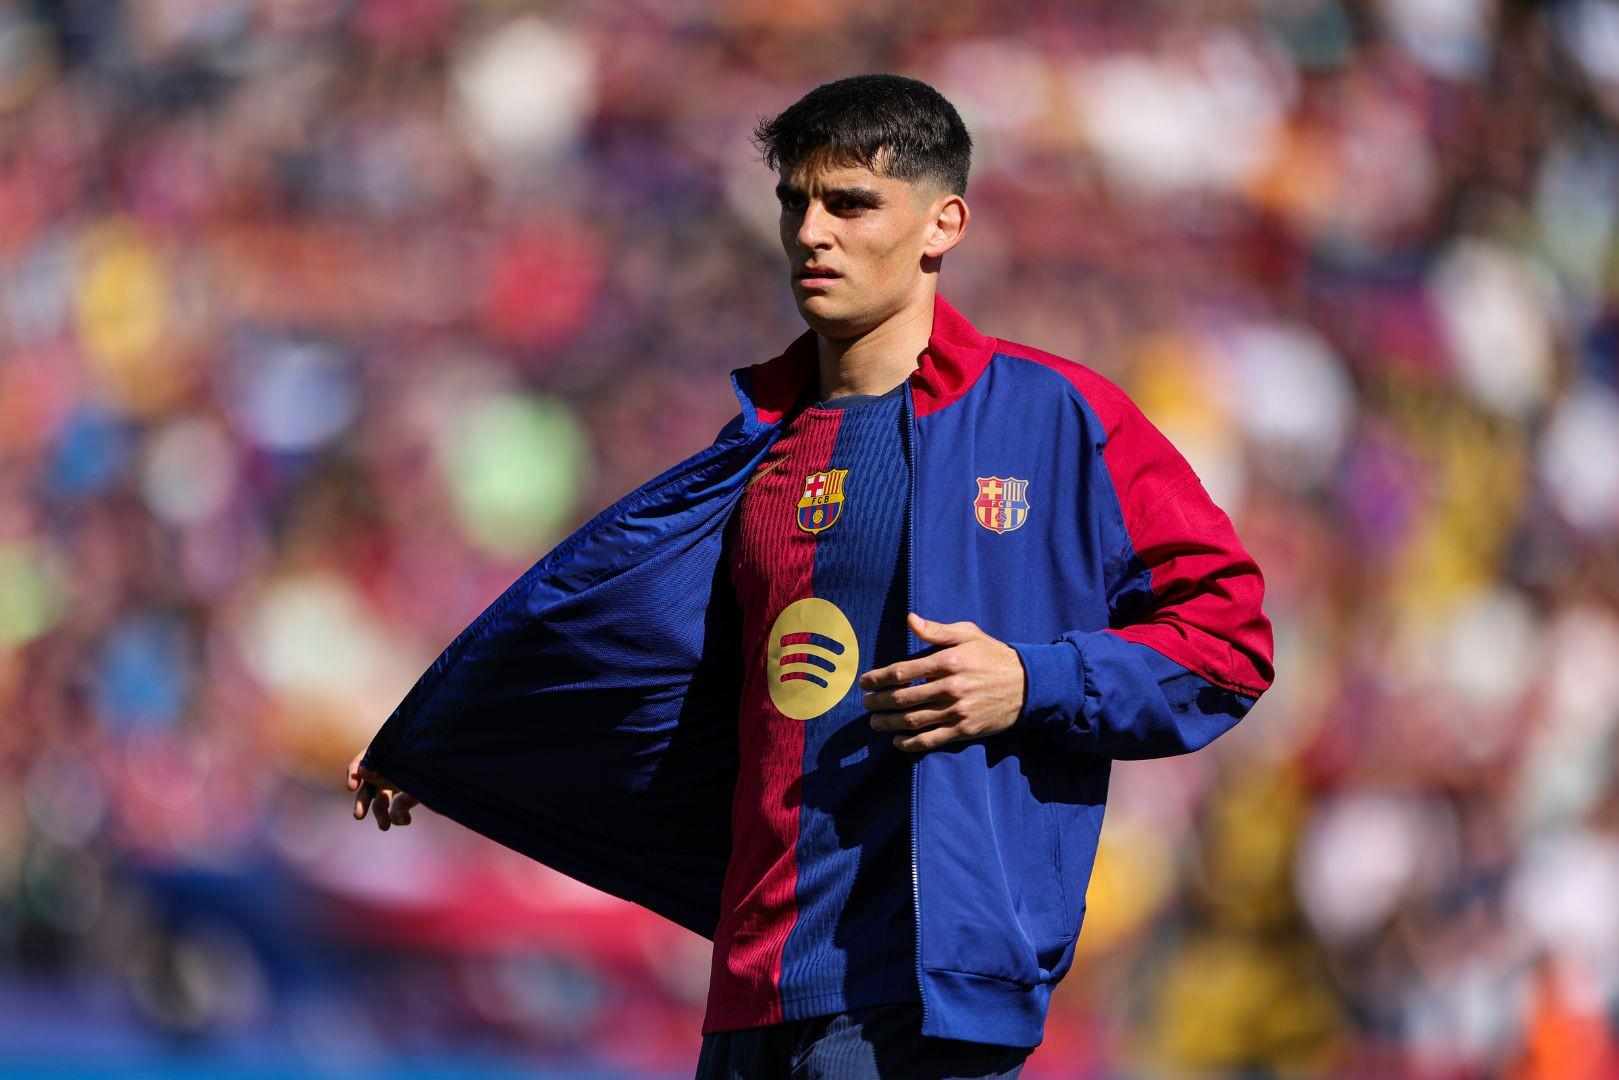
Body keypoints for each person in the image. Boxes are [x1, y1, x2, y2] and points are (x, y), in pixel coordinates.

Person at [347, 73, 1275, 1078]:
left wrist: (1031, 680)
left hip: (921, 1001)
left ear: (943, 224)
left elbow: (1228, 644)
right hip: (751, 989)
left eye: (850, 204)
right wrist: (447, 742)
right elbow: (642, 668)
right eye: (794, 203)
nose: (809, 234)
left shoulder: (1056, 419)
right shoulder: (755, 450)